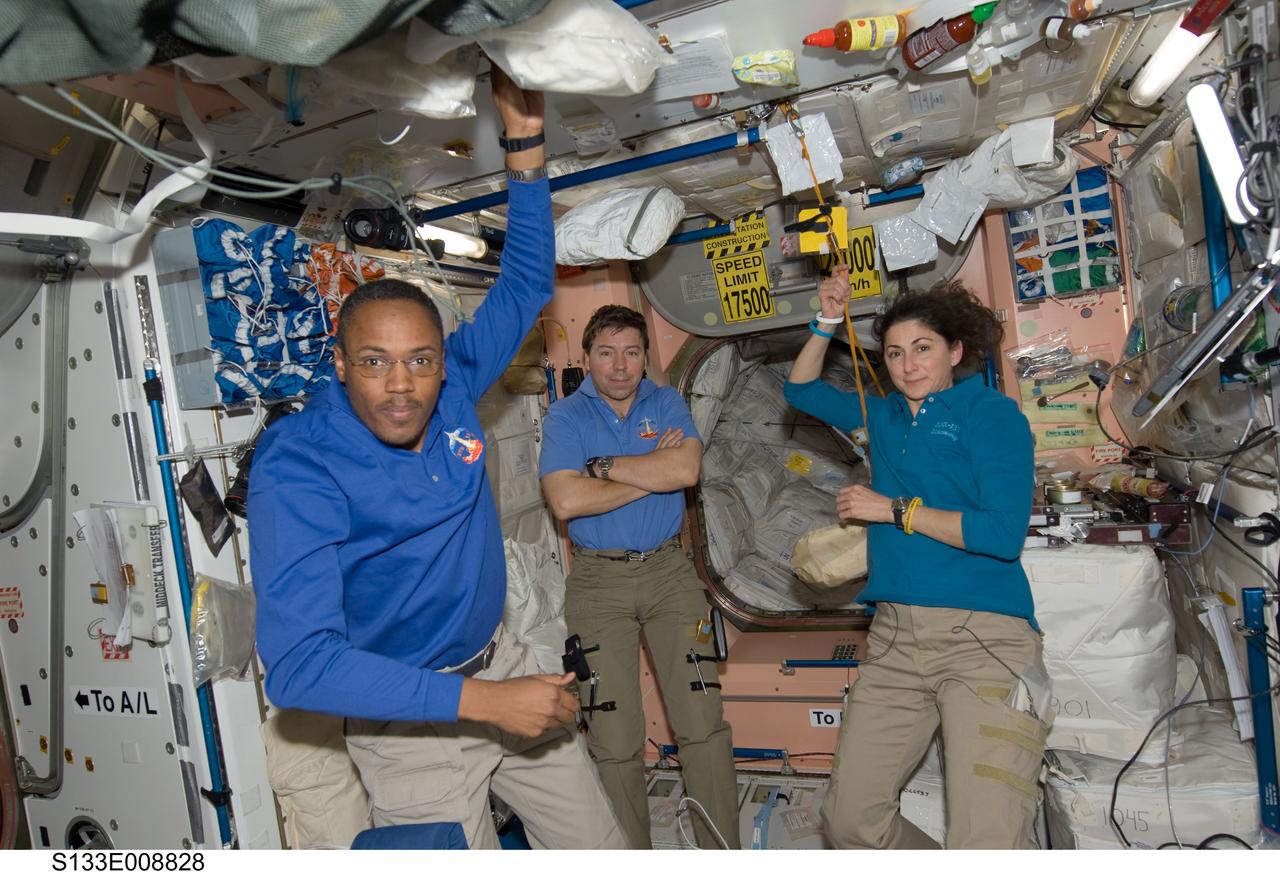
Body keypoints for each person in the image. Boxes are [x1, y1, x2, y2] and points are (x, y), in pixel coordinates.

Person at [248, 68, 626, 850]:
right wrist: (485, 705)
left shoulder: (452, 388)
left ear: (442, 362)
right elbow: (299, 668)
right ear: (340, 365)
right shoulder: (299, 464)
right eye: (375, 363)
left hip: (500, 663)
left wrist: (525, 145)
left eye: (419, 361)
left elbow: (525, 284)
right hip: (408, 725)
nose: (401, 387)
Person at [784, 267, 1047, 849]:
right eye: (895, 353)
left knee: (986, 841)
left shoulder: (992, 415)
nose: (908, 365)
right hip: (895, 640)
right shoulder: (884, 415)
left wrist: (893, 510)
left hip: (983, 640)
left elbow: (1001, 533)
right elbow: (800, 391)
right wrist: (827, 320)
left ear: (956, 351)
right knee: (850, 821)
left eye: (923, 348)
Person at [538, 305, 740, 850]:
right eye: (606, 352)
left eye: (631, 352)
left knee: (703, 726)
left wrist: (601, 467)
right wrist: (652, 473)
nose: (620, 365)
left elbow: (686, 469)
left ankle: (723, 852)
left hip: (670, 574)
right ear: (587, 358)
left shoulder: (667, 401)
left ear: (645, 358)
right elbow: (565, 500)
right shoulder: (564, 418)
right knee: (613, 739)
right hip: (597, 583)